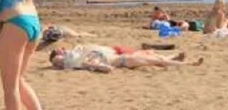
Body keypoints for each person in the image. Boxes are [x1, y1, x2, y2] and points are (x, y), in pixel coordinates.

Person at [49, 45, 203, 72]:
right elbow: (108, 69)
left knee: (153, 56)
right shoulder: (84, 62)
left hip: (123, 57)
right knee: (158, 61)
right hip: (124, 60)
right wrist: (95, 65)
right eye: (60, 52)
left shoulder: (81, 57)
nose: (63, 51)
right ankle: (190, 64)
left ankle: (174, 57)